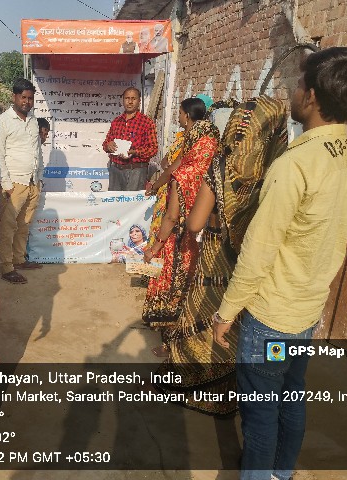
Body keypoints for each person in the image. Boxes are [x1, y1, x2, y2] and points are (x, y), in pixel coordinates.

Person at [212, 47, 347, 479]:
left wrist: (226, 312)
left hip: (273, 315)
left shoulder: (296, 165)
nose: (293, 90)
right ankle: (281, 473)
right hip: (307, 309)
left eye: (299, 83)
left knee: (260, 411)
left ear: (312, 96)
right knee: (291, 394)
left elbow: (260, 250)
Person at [153, 95, 289, 416]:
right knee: (238, 327)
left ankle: (193, 391)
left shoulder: (221, 165)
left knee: (202, 320)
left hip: (215, 262)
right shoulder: (279, 171)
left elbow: (195, 223)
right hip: (256, 267)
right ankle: (227, 397)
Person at [141, 98, 219, 349]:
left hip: (179, 244)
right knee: (194, 293)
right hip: (207, 246)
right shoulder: (214, 172)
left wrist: (155, 248)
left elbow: (172, 218)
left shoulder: (183, 176)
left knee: (173, 291)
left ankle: (169, 345)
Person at [0, 78, 43, 284]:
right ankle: (6, 266)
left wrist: (39, 178)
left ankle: (19, 259)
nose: (27, 102)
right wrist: (6, 184)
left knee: (24, 225)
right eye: (23, 97)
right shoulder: (2, 121)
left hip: (32, 182)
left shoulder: (34, 120)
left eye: (30, 98)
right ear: (14, 97)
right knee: (8, 227)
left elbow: (37, 151)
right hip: (14, 183)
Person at [102, 87, 158, 191]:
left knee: (132, 200)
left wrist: (135, 152)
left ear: (139, 101)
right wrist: (108, 145)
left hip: (136, 170)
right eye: (127, 98)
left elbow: (153, 149)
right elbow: (105, 144)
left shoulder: (146, 122)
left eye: (133, 98)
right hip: (115, 169)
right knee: (114, 200)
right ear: (123, 100)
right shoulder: (117, 121)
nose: (130, 102)